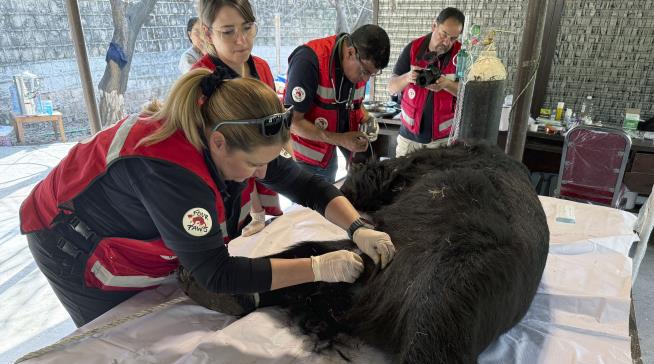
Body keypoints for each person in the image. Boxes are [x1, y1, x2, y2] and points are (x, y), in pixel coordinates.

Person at [20, 67, 396, 327]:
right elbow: (217, 272)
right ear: (218, 143)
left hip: (132, 217)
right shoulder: (171, 173)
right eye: (252, 165)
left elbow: (306, 185)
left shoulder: (234, 133)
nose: (259, 175)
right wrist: (317, 268)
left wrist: (357, 226)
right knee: (118, 342)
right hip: (69, 238)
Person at [193, 0, 281, 236]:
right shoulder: (202, 82)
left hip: (262, 169)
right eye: (228, 31)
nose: (242, 40)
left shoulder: (260, 68)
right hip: (227, 189)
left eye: (247, 27)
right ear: (207, 33)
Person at [284, 24, 391, 182]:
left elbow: (354, 104)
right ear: (350, 52)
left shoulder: (356, 68)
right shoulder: (308, 61)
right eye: (365, 72)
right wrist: (340, 139)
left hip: (328, 155)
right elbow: (292, 122)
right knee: (309, 204)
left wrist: (367, 118)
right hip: (304, 159)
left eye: (372, 75)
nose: (366, 79)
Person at [388, 7, 465, 157]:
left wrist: (447, 84)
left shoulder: (462, 56)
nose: (447, 42)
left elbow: (469, 96)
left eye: (454, 38)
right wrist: (408, 77)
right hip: (408, 140)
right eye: (444, 34)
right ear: (434, 26)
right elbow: (391, 88)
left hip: (443, 143)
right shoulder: (413, 49)